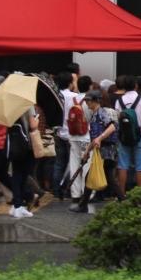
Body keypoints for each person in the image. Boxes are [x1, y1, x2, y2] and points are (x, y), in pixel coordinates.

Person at [71, 89, 118, 213]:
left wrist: (100, 138)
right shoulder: (94, 115)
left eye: (89, 101)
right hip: (102, 151)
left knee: (107, 178)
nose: (87, 103)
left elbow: (113, 126)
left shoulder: (101, 113)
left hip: (107, 151)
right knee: (103, 178)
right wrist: (87, 152)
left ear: (96, 101)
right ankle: (83, 204)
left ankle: (83, 205)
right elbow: (94, 138)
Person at [115, 75, 141, 193]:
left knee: (123, 165)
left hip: (124, 136)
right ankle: (140, 194)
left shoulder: (119, 101)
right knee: (140, 166)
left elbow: (117, 117)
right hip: (140, 134)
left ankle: (121, 194)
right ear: (136, 85)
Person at [53, 70, 81, 200]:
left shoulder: (55, 95)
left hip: (59, 133)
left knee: (59, 163)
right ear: (70, 83)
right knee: (72, 163)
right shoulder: (75, 97)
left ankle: (56, 190)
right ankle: (68, 189)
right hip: (72, 134)